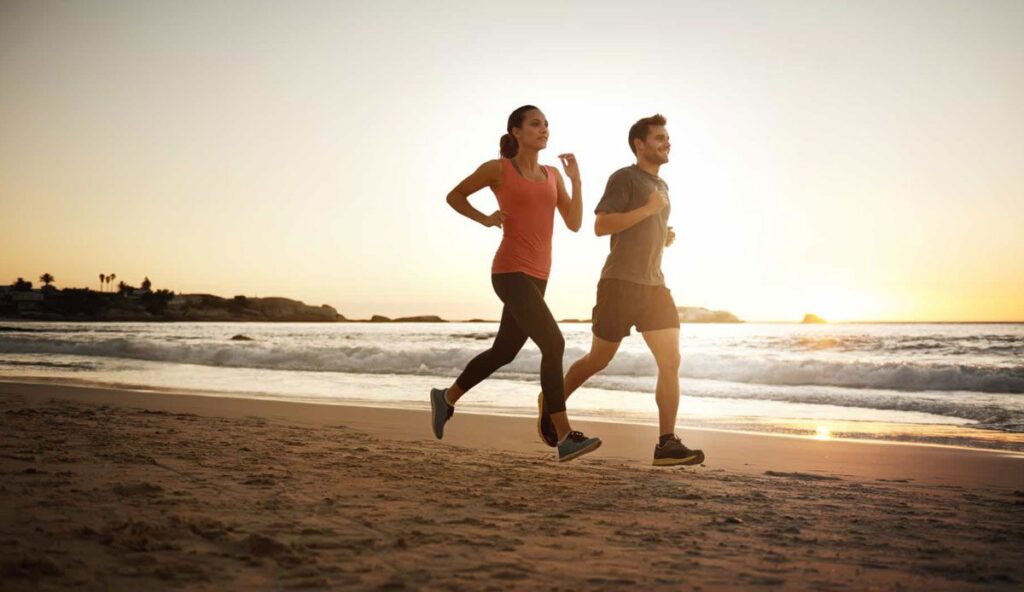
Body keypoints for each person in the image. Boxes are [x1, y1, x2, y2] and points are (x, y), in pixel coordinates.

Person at [430, 105, 602, 463]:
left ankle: (446, 398)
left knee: (504, 351)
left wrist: (577, 181)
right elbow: (455, 196)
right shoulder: (499, 169)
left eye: (546, 125)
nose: (544, 130)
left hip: (539, 276)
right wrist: (485, 218)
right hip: (509, 272)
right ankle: (565, 435)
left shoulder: (553, 175)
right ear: (516, 132)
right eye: (535, 124)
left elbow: (573, 223)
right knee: (554, 342)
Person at [536, 114, 705, 467]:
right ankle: (550, 402)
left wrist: (663, 233)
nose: (667, 142)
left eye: (668, 137)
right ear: (639, 144)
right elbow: (601, 225)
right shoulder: (624, 178)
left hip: (655, 285)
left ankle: (666, 443)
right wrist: (648, 210)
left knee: (671, 361)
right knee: (600, 358)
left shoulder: (663, 186)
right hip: (619, 284)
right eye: (659, 138)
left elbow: (643, 225)